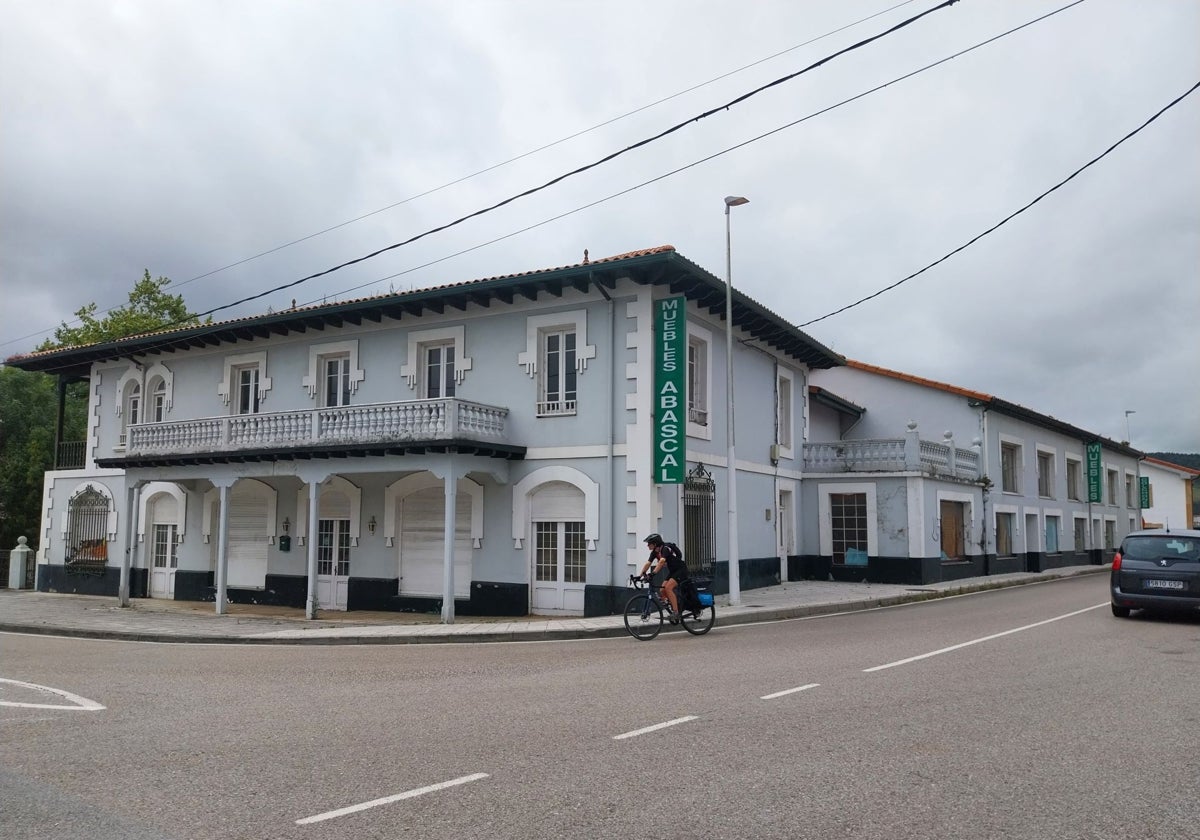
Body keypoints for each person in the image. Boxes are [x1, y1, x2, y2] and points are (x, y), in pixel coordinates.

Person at [639, 533, 691, 620]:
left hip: (681, 570)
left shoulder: (665, 548)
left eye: (649, 543)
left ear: (655, 544)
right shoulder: (655, 552)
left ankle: (676, 613)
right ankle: (674, 604)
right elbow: (648, 563)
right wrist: (640, 576)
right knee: (662, 590)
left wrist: (653, 573)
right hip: (673, 571)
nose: (647, 545)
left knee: (668, 588)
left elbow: (662, 561)